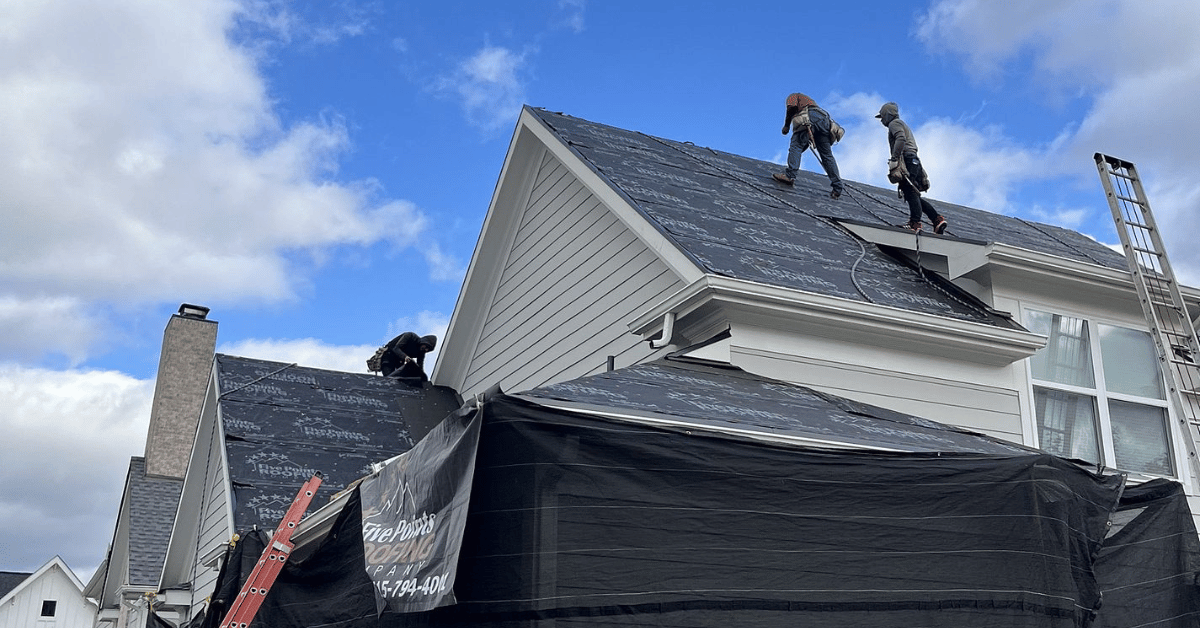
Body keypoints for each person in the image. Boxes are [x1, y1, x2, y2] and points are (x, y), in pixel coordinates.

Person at [875, 102, 947, 234]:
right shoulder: (902, 124)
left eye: (882, 117)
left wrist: (895, 159)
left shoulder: (894, 124)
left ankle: (915, 223)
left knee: (910, 192)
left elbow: (900, 138)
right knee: (912, 194)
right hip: (914, 161)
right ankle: (936, 219)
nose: (882, 121)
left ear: (888, 115)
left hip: (907, 160)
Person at [772, 93, 845, 200]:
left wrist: (787, 126)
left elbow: (791, 108)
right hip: (824, 122)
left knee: (795, 146)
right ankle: (837, 188)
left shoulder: (793, 96)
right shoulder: (810, 102)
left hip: (810, 118)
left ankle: (790, 176)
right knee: (827, 156)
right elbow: (803, 145)